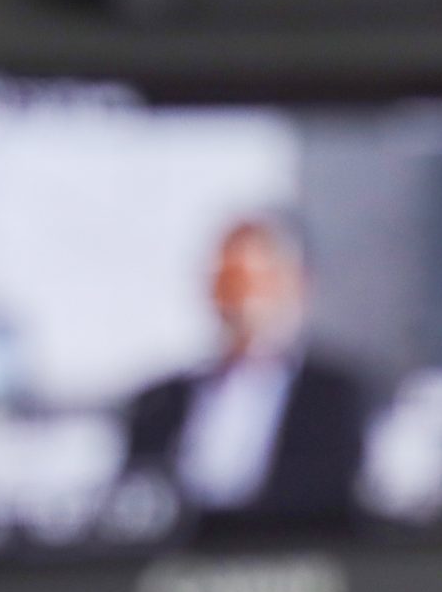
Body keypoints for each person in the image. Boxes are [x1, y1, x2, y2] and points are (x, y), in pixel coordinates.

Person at [121, 215, 372, 530]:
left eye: (256, 282)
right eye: (230, 283)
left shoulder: (339, 398)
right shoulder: (157, 402)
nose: (242, 302)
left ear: (295, 286)